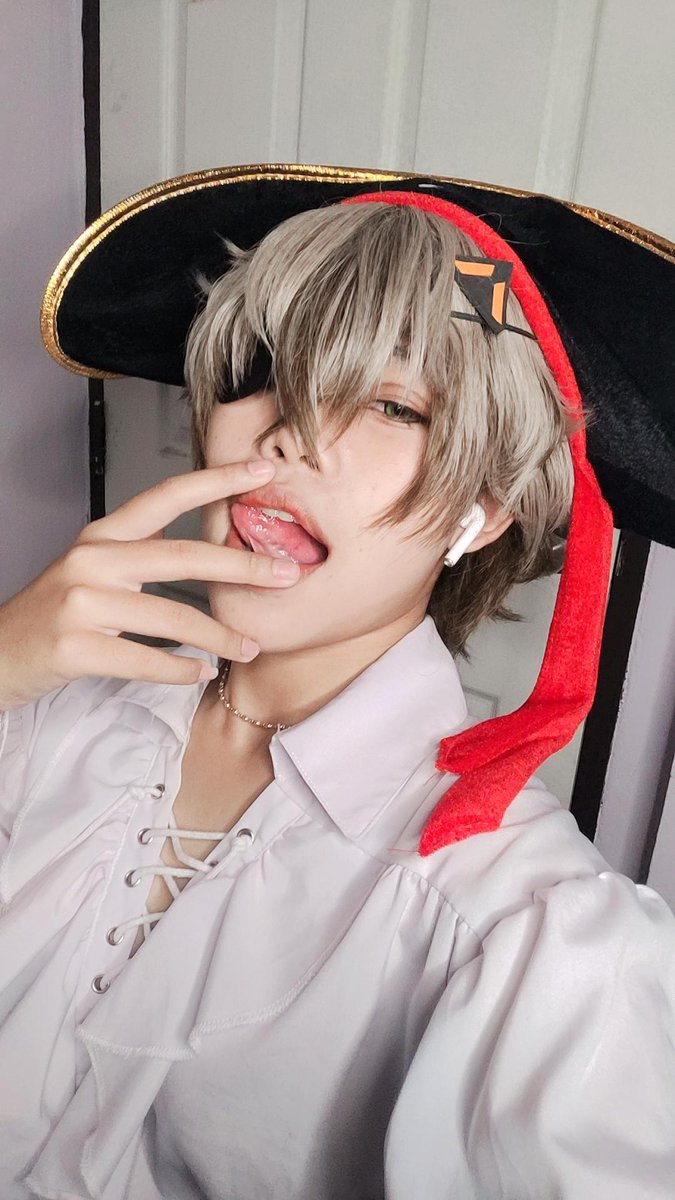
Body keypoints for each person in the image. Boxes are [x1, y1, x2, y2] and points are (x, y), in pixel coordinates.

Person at [1, 169, 674, 1199]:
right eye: (265, 371)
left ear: (484, 511)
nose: (290, 434)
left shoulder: (515, 930)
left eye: (392, 403)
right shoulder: (49, 713)